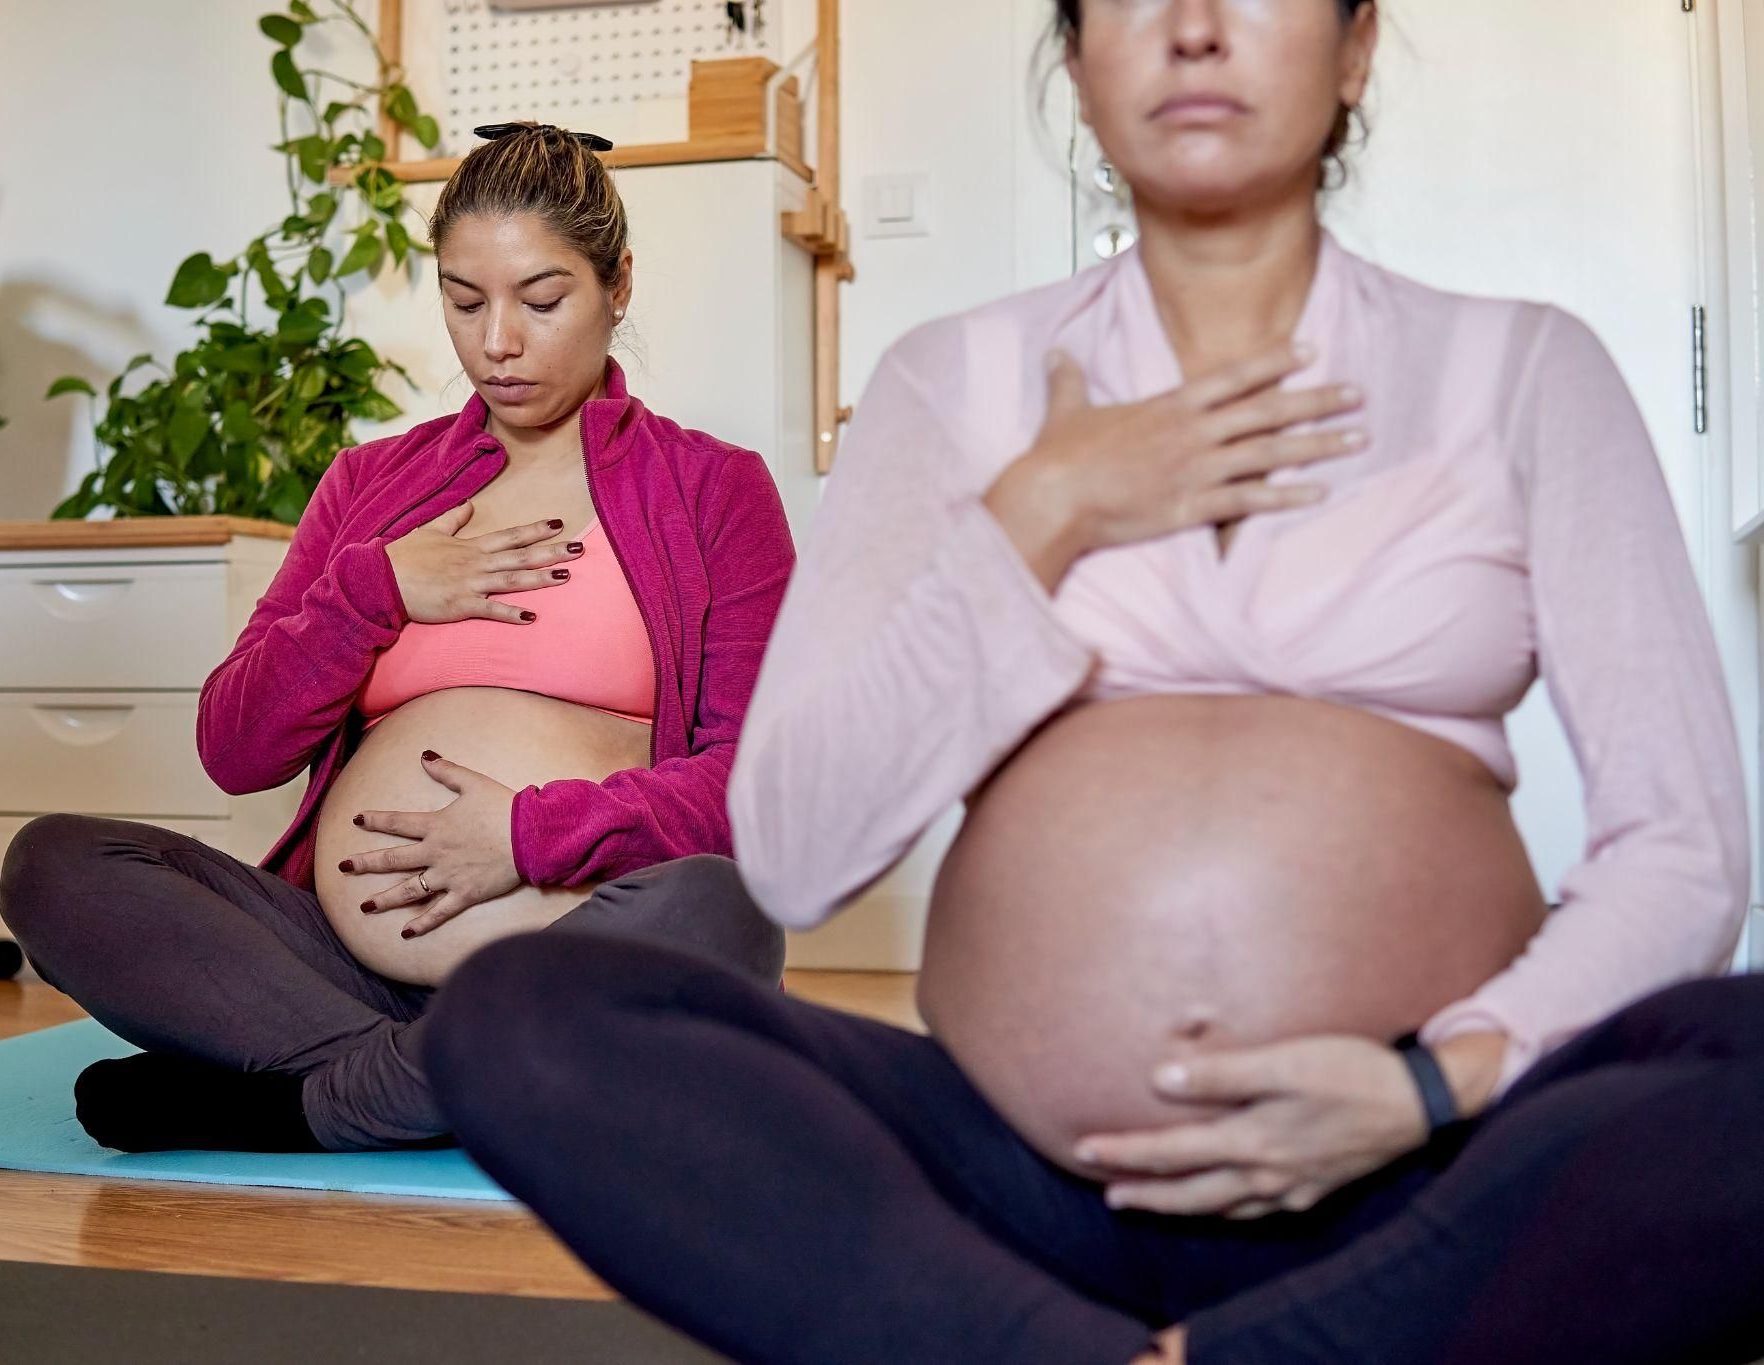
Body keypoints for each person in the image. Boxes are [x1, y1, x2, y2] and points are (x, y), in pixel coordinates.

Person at [419, 6, 1764, 1363]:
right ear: (1074, 61)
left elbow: (1685, 848)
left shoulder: (1522, 373)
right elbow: (794, 851)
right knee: (527, 1016)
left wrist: (1438, 1077)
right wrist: (1042, 512)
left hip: (1430, 1175)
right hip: (1009, 1180)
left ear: (1356, 50)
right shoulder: (954, 385)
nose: (1190, 29)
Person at [0, 122, 795, 1155]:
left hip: (573, 944)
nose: (497, 342)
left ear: (617, 285)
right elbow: (234, 750)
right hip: (336, 964)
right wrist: (373, 589)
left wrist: (523, 835)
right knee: (52, 865)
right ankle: (459, 1072)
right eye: (463, 302)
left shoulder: (710, 489)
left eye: (541, 300)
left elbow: (756, 788)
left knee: (721, 911)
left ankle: (317, 1101)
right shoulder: (369, 489)